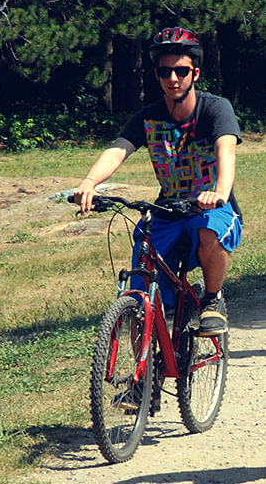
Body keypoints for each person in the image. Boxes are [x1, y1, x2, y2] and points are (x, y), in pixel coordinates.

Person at [72, 27, 241, 337]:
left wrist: (219, 192)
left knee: (208, 229)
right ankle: (142, 384)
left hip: (211, 208)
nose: (173, 78)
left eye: (181, 70)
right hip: (168, 210)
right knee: (139, 299)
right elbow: (118, 150)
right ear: (156, 74)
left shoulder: (216, 109)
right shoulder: (149, 116)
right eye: (165, 71)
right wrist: (89, 181)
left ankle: (211, 300)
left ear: (196, 73)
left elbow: (226, 149)